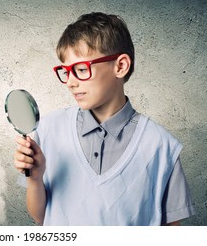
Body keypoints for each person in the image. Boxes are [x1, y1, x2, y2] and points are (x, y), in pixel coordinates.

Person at [13, 12, 196, 226]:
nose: (70, 82)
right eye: (65, 71)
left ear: (120, 66)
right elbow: (40, 217)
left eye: (81, 69)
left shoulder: (162, 147)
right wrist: (35, 178)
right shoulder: (49, 129)